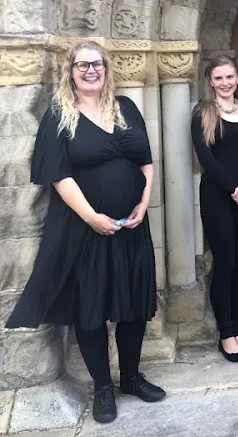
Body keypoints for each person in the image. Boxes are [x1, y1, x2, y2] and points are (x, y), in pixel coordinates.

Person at [5, 40, 165, 423]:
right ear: (71, 70)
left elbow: (145, 161)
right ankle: (104, 389)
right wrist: (92, 216)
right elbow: (57, 175)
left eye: (97, 64)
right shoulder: (60, 115)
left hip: (130, 228)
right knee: (91, 310)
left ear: (107, 69)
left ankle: (130, 377)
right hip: (86, 231)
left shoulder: (127, 109)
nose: (91, 71)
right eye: (82, 65)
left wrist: (144, 202)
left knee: (133, 307)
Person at [191, 56, 238, 363]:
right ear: (211, 81)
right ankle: (225, 335)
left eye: (229, 77)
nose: (225, 83)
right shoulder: (203, 113)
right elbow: (206, 158)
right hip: (217, 197)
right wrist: (235, 190)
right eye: (218, 78)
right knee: (225, 264)